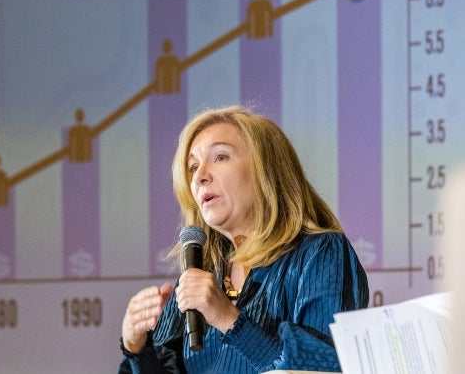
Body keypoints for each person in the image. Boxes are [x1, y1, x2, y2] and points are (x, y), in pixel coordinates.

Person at [119, 105, 369, 373]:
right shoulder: (199, 277)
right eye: (193, 166)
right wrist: (136, 347)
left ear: (266, 169)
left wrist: (228, 318)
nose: (200, 176)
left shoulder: (318, 253)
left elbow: (327, 366)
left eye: (221, 157)